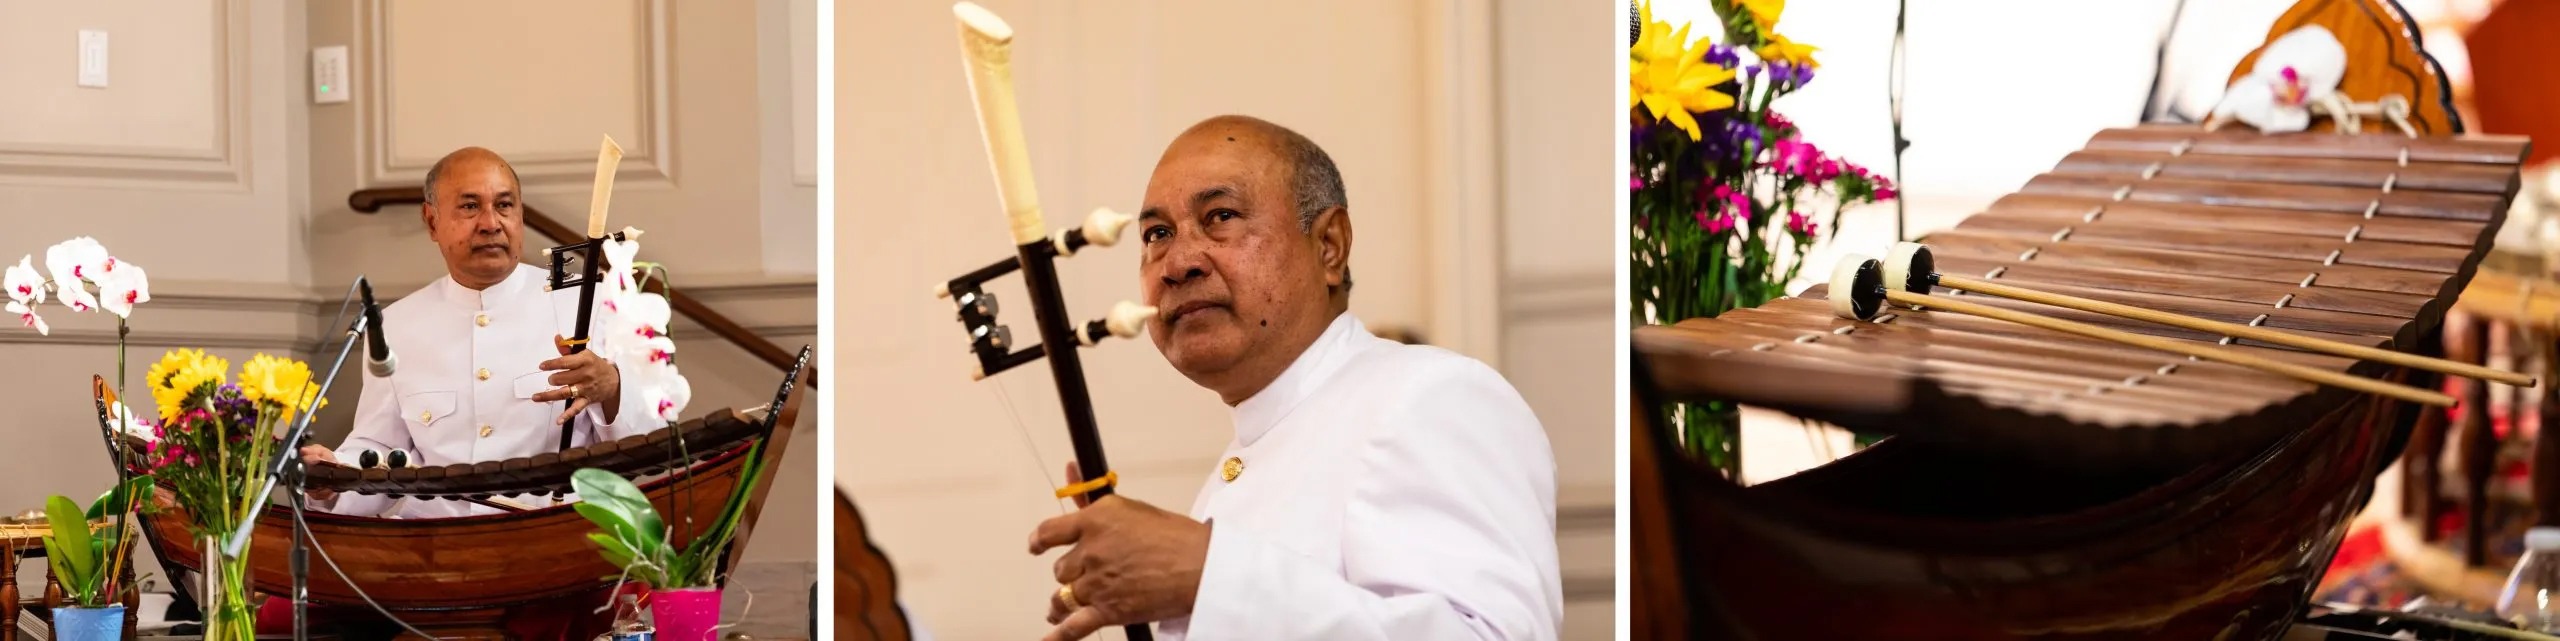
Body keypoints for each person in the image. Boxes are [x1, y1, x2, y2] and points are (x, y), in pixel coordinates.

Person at [1028, 116, 1561, 640]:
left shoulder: (1431, 396)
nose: (1178, 262)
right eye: (1157, 234)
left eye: (1220, 216)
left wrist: (1204, 573)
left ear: (1329, 245)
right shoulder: (1235, 468)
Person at [299, 146, 667, 518]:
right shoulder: (396, 325)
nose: (491, 223)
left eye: (504, 205)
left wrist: (612, 387)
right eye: (470, 206)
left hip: (555, 537)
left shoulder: (589, 303)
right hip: (436, 548)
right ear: (431, 222)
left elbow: (648, 446)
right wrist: (334, 480)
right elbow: (381, 451)